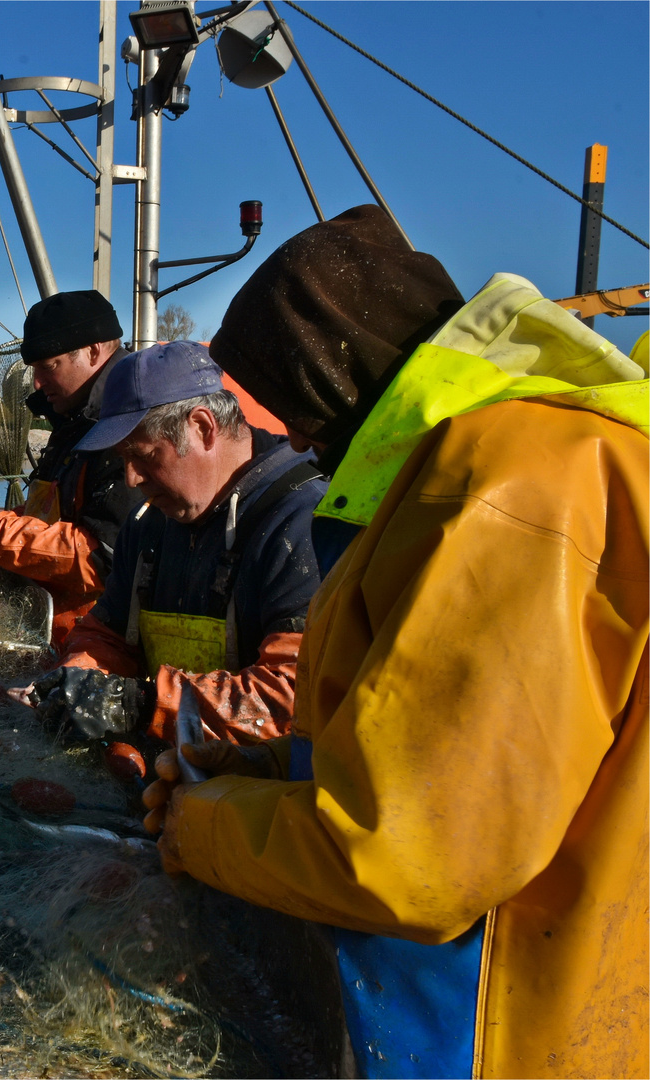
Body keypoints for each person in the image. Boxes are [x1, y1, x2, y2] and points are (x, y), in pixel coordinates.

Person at [142, 205, 648, 1079]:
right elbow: (483, 756)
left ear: (330, 376)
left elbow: (408, 858)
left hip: (516, 1033)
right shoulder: (512, 460)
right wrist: (266, 770)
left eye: (294, 410)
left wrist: (202, 826)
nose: (295, 441)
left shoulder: (498, 493)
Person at [28, 341, 325, 775]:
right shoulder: (148, 522)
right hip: (166, 779)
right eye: (122, 460)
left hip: (258, 799)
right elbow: (107, 633)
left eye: (144, 456)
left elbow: (294, 696)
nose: (131, 478)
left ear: (203, 427)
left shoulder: (303, 523)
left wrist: (140, 705)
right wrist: (77, 679)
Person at [0, 291, 146, 646]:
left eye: (48, 367)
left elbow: (103, 558)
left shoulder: (128, 428)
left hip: (102, 649)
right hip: (52, 634)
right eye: (33, 369)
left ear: (94, 351)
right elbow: (51, 511)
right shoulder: (74, 419)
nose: (36, 383)